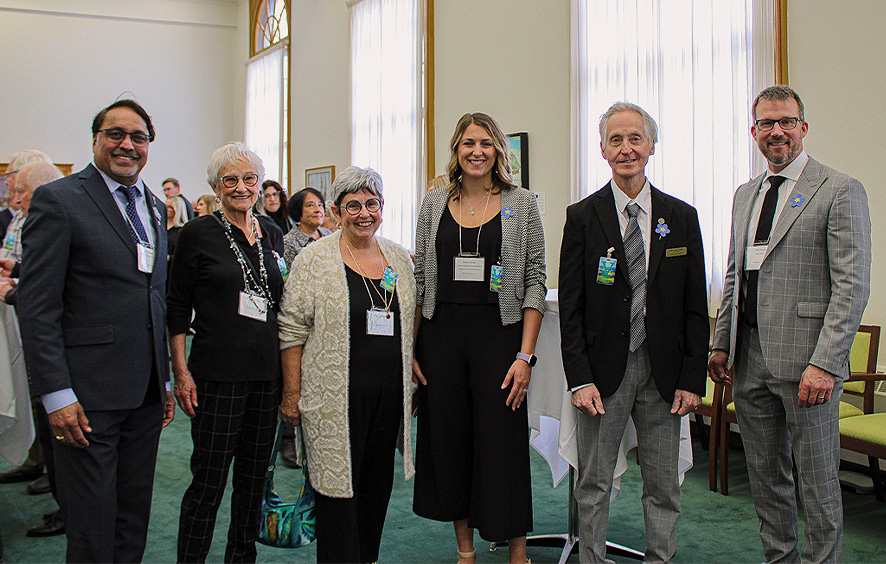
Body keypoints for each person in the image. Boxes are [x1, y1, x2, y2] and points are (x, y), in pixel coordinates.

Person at [708, 85, 871, 564]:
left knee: (818, 482)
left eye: (784, 122)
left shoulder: (839, 189)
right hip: (750, 359)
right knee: (767, 479)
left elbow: (851, 287)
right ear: (754, 130)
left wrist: (826, 363)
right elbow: (735, 274)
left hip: (808, 365)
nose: (775, 132)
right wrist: (722, 345)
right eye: (765, 123)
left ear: (803, 126)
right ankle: (779, 558)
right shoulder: (745, 194)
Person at [17, 99, 175, 563]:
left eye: (139, 137)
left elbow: (155, 298)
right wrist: (57, 395)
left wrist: (162, 378)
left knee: (132, 515)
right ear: (95, 139)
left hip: (144, 394)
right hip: (86, 397)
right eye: (115, 134)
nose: (128, 145)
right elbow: (38, 306)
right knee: (91, 522)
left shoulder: (153, 204)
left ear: (149, 145)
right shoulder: (60, 199)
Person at [558, 102, 708, 563]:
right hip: (603, 376)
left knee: (663, 486)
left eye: (635, 139)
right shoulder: (583, 216)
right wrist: (579, 379)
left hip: (665, 376)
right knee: (595, 483)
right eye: (616, 140)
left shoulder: (680, 217)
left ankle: (661, 558)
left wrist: (691, 378)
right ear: (603, 150)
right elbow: (571, 309)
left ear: (652, 146)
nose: (627, 149)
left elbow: (695, 308)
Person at [412, 112, 546, 564]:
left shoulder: (520, 203)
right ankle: (465, 551)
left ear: (499, 151)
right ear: (456, 149)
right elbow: (420, 280)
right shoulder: (433, 204)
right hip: (441, 334)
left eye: (486, 143)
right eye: (468, 143)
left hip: (500, 334)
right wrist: (411, 349)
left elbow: (534, 281)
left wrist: (525, 356)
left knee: (502, 443)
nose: (476, 151)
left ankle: (517, 554)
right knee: (450, 441)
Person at [278, 166, 416, 564]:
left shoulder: (397, 258)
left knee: (375, 488)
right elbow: (291, 329)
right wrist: (292, 394)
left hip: (388, 397)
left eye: (371, 203)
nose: (363, 213)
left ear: (382, 207)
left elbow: (413, 316)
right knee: (337, 493)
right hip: (333, 400)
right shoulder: (314, 259)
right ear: (336, 212)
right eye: (352, 206)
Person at [168, 142, 285, 563]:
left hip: (266, 375)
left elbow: (281, 301)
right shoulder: (197, 233)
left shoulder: (272, 232)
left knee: (254, 480)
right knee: (209, 482)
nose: (241, 187)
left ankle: (241, 558)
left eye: (249, 179)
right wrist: (181, 373)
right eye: (230, 180)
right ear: (216, 186)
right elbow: (177, 308)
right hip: (217, 376)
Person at [282, 187, 332, 267]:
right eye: (311, 205)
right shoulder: (288, 242)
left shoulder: (328, 234)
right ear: (298, 210)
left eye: (320, 205)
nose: (318, 209)